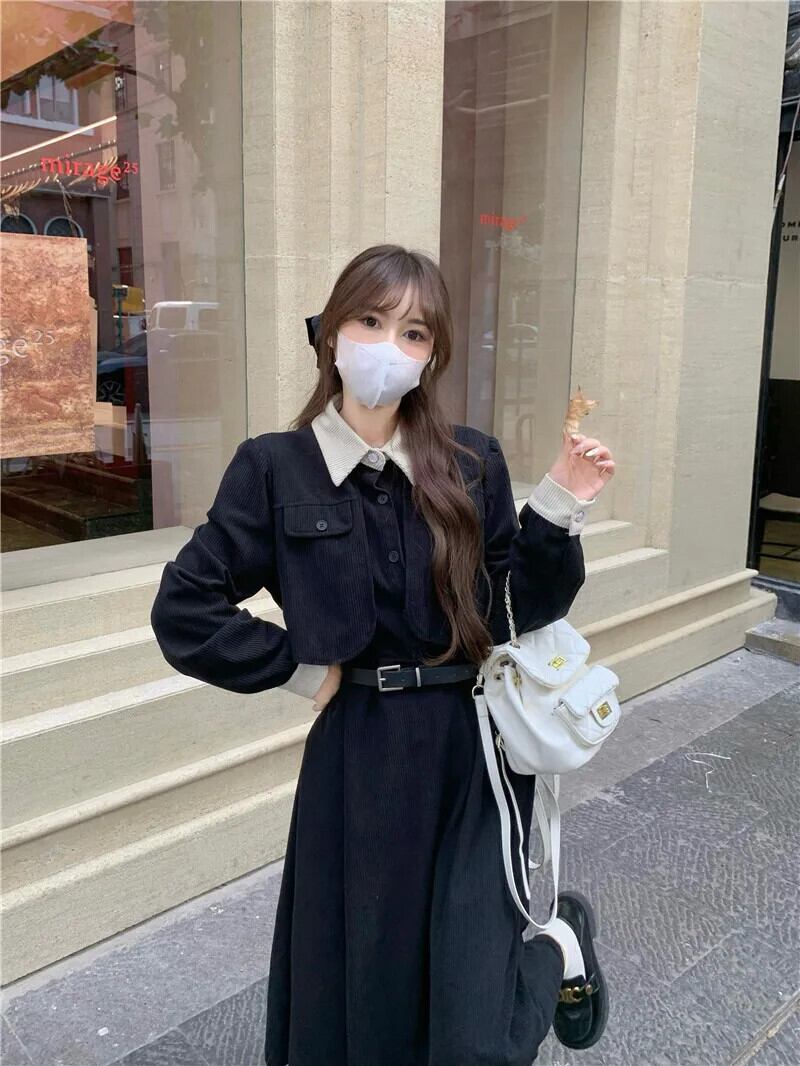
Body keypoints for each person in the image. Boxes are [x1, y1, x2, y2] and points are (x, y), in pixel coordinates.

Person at [150, 244, 614, 1065]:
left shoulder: (469, 461)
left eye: (413, 333)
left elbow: (509, 613)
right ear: (330, 332)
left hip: (470, 752)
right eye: (370, 321)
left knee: (473, 1038)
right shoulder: (274, 467)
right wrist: (299, 669)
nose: (388, 347)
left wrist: (558, 507)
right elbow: (184, 610)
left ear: (431, 355)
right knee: (358, 1002)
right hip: (356, 760)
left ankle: (553, 948)